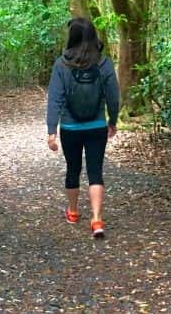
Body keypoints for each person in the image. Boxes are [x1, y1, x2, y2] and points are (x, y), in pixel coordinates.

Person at [46, 17, 120, 238]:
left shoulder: (62, 64)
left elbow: (55, 98)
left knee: (73, 169)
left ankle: (74, 211)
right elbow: (113, 96)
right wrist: (112, 121)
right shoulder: (103, 63)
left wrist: (52, 130)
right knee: (96, 172)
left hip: (70, 127)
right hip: (97, 125)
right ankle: (96, 219)